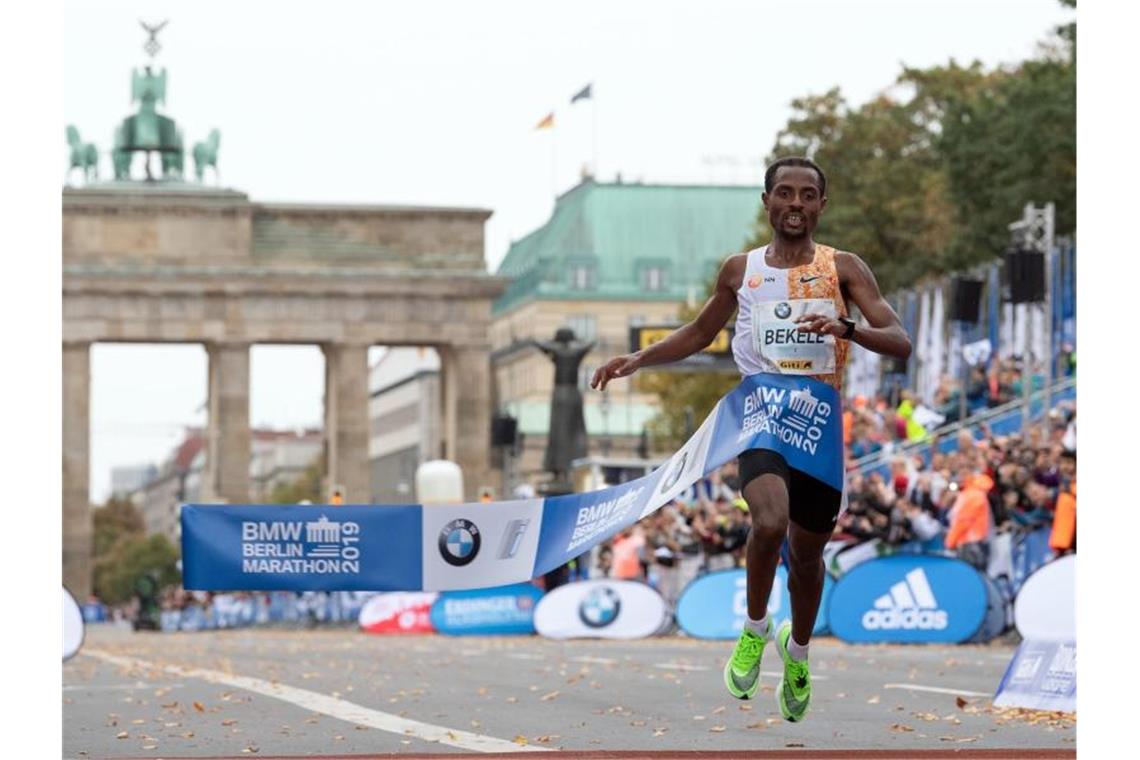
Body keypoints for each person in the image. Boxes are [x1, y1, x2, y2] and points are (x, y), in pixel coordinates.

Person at [590, 156, 911, 722]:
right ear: (766, 202)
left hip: (817, 419)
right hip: (761, 410)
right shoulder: (741, 271)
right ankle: (756, 628)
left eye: (807, 195)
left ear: (820, 205)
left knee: (808, 559)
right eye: (784, 193)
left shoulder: (845, 269)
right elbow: (699, 333)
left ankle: (799, 652)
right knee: (767, 522)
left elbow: (899, 341)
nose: (795, 203)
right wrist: (639, 357)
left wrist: (845, 328)